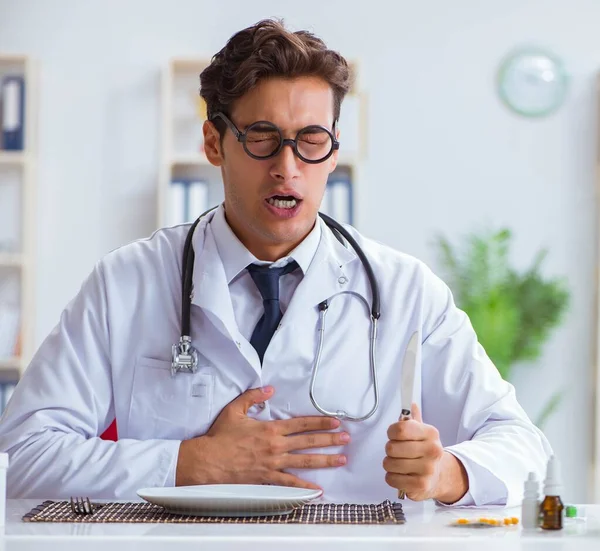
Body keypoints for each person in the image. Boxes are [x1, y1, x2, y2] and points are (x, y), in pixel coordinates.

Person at [0, 18, 551, 505]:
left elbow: (523, 445)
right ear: (214, 144)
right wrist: (190, 463)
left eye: (311, 140)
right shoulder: (127, 283)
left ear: (334, 150)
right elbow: (23, 457)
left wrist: (448, 473)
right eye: (263, 138)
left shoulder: (405, 291)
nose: (288, 167)